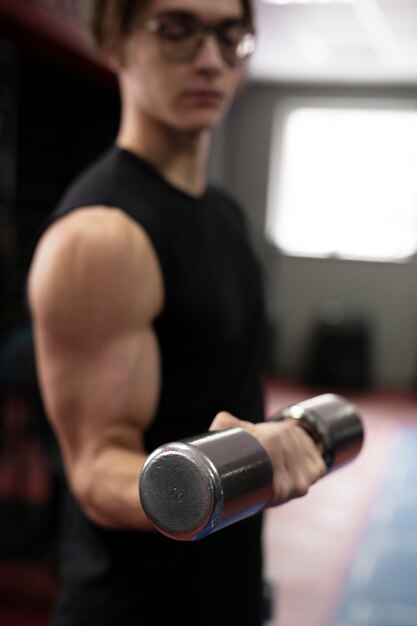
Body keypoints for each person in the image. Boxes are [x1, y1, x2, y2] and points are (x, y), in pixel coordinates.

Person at [27, 1, 326, 624]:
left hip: (225, 587)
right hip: (133, 607)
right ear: (115, 42)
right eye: (177, 31)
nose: (211, 61)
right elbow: (96, 469)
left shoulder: (224, 213)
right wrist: (233, 468)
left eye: (229, 35)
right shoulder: (102, 237)